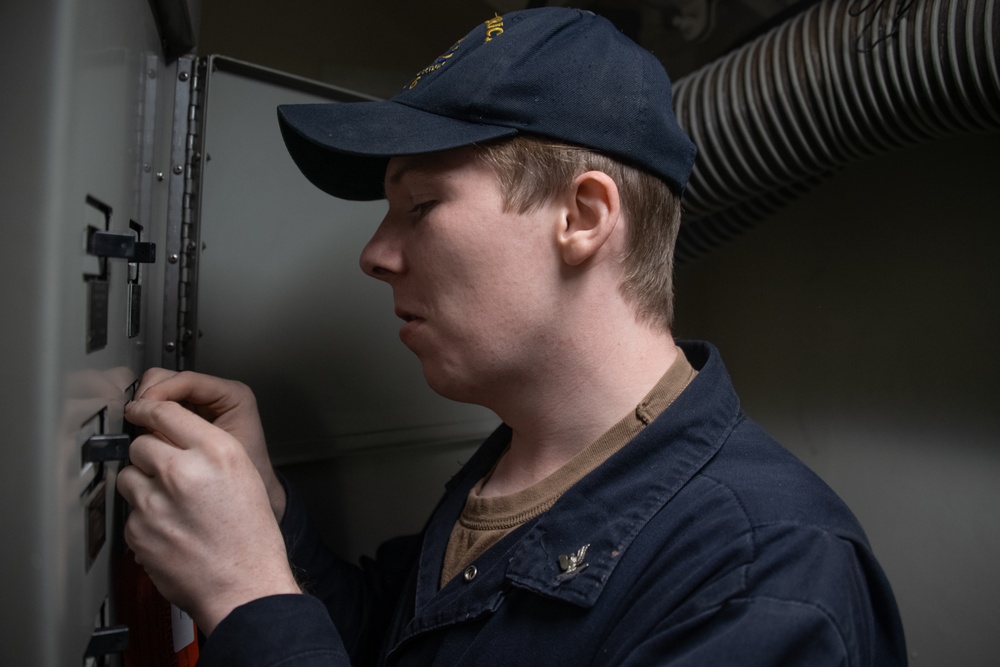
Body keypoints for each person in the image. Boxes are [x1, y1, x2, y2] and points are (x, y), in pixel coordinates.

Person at [117, 7, 908, 665]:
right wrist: (266, 515)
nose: (375, 254)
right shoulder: (520, 462)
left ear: (583, 216)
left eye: (421, 206)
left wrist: (249, 601)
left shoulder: (764, 576)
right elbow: (392, 644)